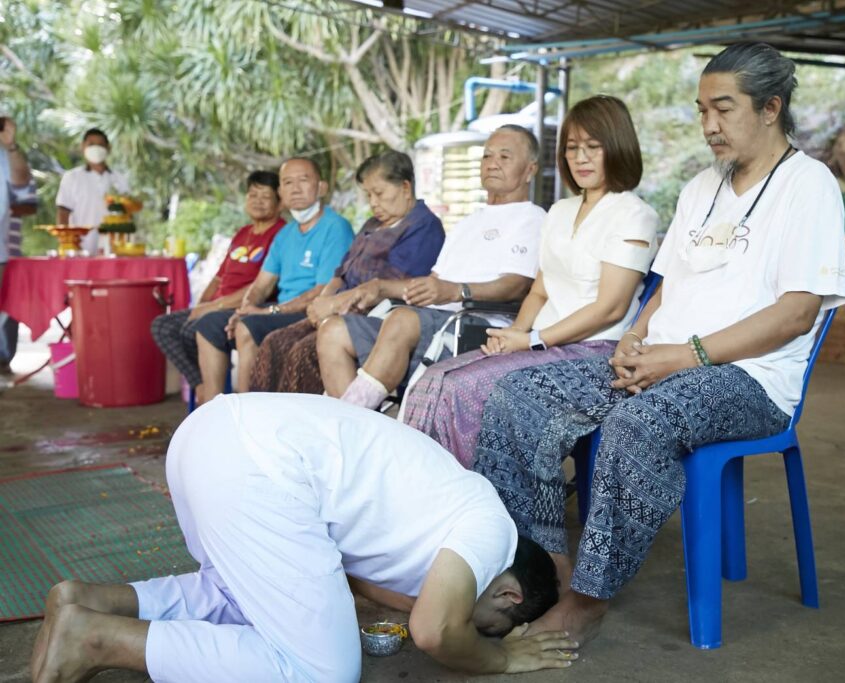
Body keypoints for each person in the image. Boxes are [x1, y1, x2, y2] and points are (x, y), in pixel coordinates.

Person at [473, 43, 845, 645]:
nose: (709, 125)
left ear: (771, 107)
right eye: (702, 110)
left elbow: (796, 314)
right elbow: (666, 287)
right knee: (516, 397)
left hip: (749, 378)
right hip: (663, 359)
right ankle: (545, 568)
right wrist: (634, 337)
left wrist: (685, 356)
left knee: (638, 424)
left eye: (723, 109)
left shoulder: (808, 186)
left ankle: (588, 599)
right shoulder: (702, 186)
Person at [31, 394, 576, 682]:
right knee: (322, 672)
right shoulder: (491, 528)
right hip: (259, 469)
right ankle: (97, 639)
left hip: (210, 433)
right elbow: (436, 631)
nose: (473, 631)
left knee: (238, 595)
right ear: (508, 594)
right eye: (487, 627)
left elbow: (369, 589)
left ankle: (90, 601)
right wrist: (501, 659)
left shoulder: (450, 511)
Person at [402, 95, 659, 468]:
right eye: (572, 148)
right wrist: (515, 333)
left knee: (468, 388)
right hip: (543, 343)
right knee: (437, 378)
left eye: (593, 147)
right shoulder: (560, 211)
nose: (581, 158)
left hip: (596, 351)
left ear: (618, 146)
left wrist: (533, 340)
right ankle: (427, 485)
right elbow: (540, 290)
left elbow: (611, 308)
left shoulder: (633, 214)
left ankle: (483, 495)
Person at [315, 125, 547, 406]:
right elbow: (435, 281)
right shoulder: (467, 222)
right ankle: (356, 420)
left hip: (481, 327)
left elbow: (517, 285)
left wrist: (456, 291)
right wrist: (379, 288)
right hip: (434, 322)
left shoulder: (533, 219)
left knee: (402, 319)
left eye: (505, 157)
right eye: (487, 156)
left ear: (530, 170)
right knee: (333, 330)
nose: (492, 163)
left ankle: (350, 417)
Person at [247, 151, 444, 394]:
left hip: (373, 317)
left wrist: (334, 306)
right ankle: (267, 414)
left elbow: (392, 286)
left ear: (405, 187)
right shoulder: (372, 224)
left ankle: (324, 417)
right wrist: (322, 303)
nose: (373, 203)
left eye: (379, 193)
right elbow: (340, 273)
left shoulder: (423, 227)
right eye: (369, 195)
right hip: (336, 309)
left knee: (302, 352)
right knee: (275, 342)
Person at [193, 157, 354, 403]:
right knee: (209, 324)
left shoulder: (336, 227)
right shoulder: (285, 234)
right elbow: (261, 284)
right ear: (281, 192)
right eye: (288, 182)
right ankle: (213, 408)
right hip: (280, 309)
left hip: (312, 311)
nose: (295, 189)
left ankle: (249, 412)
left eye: (303, 180)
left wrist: (267, 312)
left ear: (322, 187)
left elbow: (322, 291)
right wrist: (247, 306)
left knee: (247, 327)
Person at [150, 171, 286, 403]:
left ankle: (215, 396)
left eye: (265, 196)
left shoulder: (281, 234)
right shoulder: (243, 233)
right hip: (217, 304)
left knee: (192, 329)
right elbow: (218, 278)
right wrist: (202, 304)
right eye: (252, 195)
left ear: (280, 202)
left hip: (245, 306)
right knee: (162, 326)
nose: (257, 201)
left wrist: (212, 307)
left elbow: (260, 286)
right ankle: (201, 386)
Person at [0, 114, 37, 376]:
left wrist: (11, 145)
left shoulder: (6, 157)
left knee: (4, 311)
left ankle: (2, 361)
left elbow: (25, 191)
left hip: (3, 251)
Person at [55, 128, 130, 255]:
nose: (96, 148)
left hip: (113, 251)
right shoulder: (72, 177)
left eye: (100, 144)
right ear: (82, 147)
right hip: (80, 250)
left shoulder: (119, 179)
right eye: (91, 144)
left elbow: (128, 214)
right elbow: (63, 212)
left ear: (108, 148)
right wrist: (66, 244)